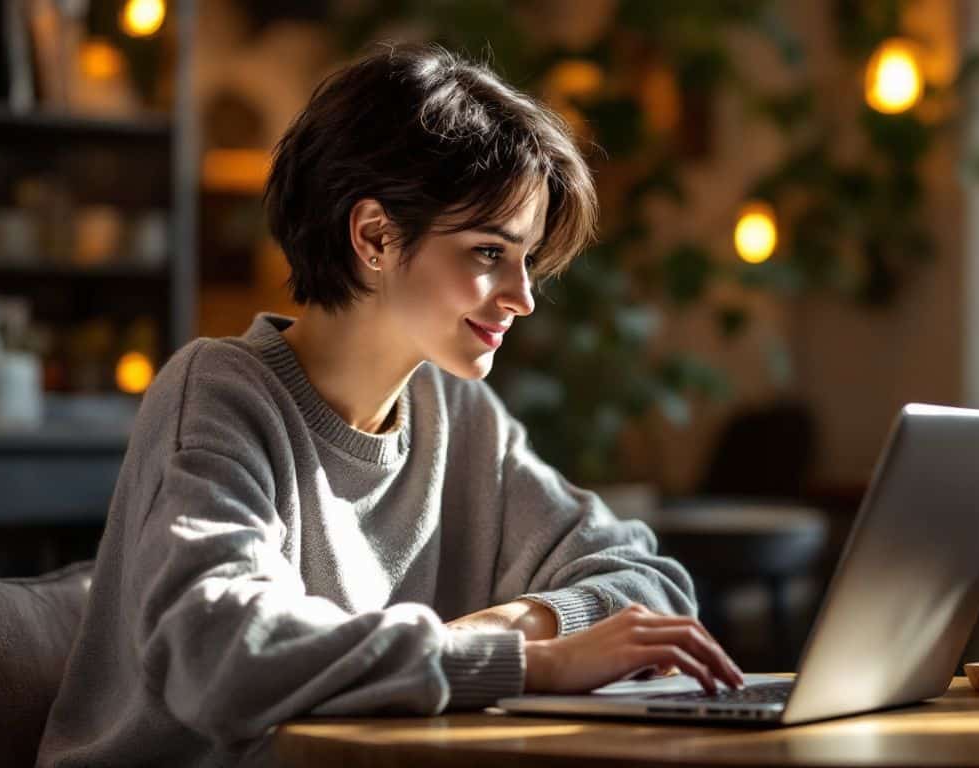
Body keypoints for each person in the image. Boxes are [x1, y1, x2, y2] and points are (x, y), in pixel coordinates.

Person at [37, 43, 742, 767]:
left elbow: (649, 583)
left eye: (527, 259)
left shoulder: (457, 415)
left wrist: (519, 621)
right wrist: (531, 663)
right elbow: (223, 654)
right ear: (375, 235)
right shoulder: (220, 392)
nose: (524, 297)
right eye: (489, 253)